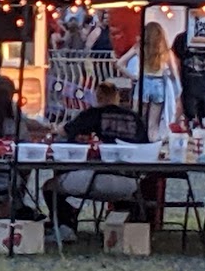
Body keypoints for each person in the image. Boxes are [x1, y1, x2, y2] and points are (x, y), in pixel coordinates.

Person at [45, 80, 146, 235]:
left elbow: (65, 131)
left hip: (97, 178)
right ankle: (126, 226)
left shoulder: (93, 114)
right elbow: (146, 146)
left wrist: (55, 128)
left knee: (49, 187)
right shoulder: (135, 118)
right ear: (117, 97)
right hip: (131, 182)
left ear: (97, 97)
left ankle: (65, 226)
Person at [121, 20, 179, 138]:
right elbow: (174, 74)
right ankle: (152, 146)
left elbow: (119, 63)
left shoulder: (139, 47)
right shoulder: (166, 52)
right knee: (153, 123)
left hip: (143, 82)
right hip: (159, 84)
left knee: (138, 119)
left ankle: (138, 143)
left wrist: (133, 76)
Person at [172, 25, 205, 127]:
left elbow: (176, 62)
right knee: (204, 116)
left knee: (190, 116)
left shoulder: (182, 38)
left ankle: (192, 134)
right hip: (203, 84)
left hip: (187, 83)